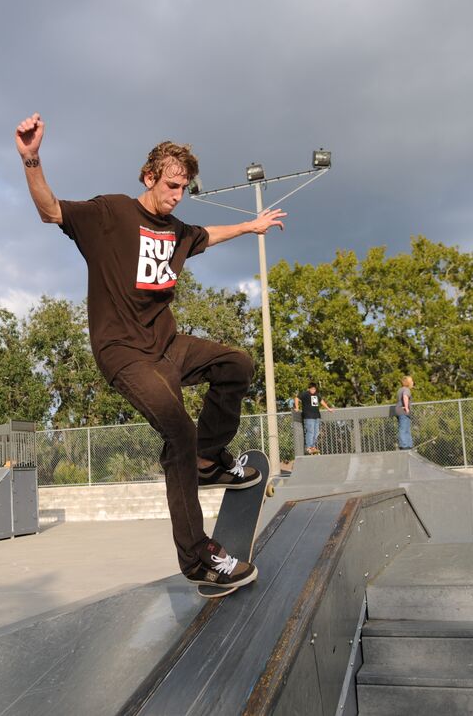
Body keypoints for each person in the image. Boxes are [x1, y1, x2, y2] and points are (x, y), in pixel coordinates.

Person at [15, 112, 286, 594]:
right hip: (124, 353)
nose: (176, 196)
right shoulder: (109, 214)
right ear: (149, 176)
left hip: (169, 346)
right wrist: (31, 158)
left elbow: (206, 234)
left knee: (236, 365)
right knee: (177, 429)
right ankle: (198, 557)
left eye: (183, 188)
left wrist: (252, 226)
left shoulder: (179, 229)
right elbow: (50, 209)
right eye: (170, 185)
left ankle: (207, 460)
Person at [294, 383, 333, 454]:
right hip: (308, 416)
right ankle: (308, 447)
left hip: (316, 416)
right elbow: (296, 398)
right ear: (309, 388)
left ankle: (312, 447)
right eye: (312, 389)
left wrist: (328, 408)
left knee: (316, 432)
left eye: (314, 389)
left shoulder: (317, 394)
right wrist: (297, 407)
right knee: (310, 431)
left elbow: (321, 401)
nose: (313, 390)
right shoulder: (305, 394)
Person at [395, 375, 414, 449]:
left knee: (406, 428)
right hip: (403, 411)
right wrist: (406, 408)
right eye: (411, 381)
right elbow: (405, 396)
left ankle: (409, 445)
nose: (413, 382)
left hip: (400, 411)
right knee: (404, 429)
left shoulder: (400, 389)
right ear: (408, 383)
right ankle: (404, 446)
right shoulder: (406, 390)